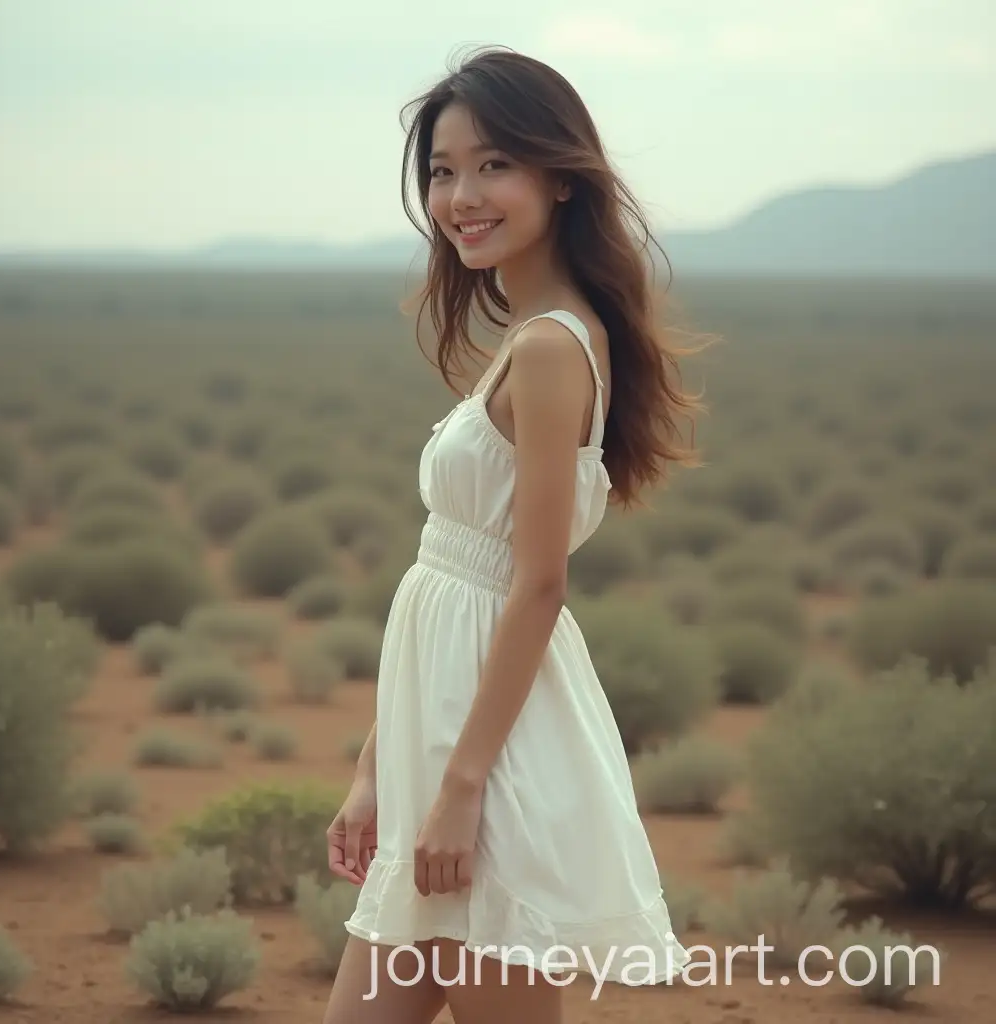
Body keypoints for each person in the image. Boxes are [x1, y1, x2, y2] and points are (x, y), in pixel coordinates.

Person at [323, 44, 703, 1024]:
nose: (461, 195)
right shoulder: (528, 341)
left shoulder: (546, 349)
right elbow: (450, 579)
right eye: (443, 171)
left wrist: (457, 790)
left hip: (486, 764)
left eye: (493, 164)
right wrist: (377, 773)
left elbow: (533, 586)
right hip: (445, 744)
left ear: (558, 177)